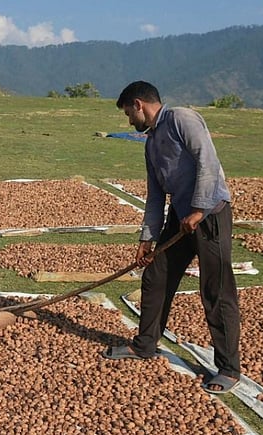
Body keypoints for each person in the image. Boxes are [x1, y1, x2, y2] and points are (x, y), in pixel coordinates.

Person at [102, 80, 241, 395]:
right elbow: (154, 196)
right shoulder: (151, 144)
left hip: (211, 215)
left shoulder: (181, 119)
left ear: (139, 104)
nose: (129, 122)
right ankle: (145, 345)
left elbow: (208, 161)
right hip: (181, 217)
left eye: (128, 114)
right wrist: (146, 238)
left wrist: (199, 209)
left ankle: (229, 369)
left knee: (215, 289)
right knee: (156, 276)